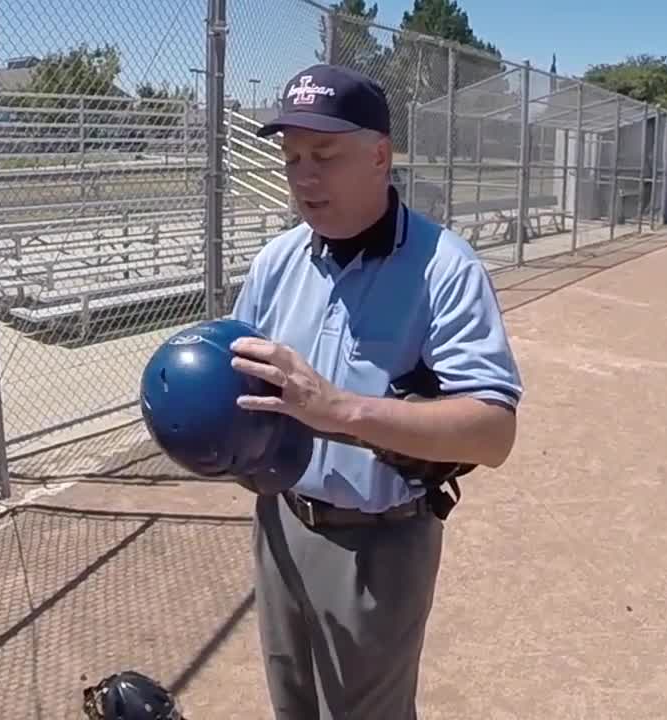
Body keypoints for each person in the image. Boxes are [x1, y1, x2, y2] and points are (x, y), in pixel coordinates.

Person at [226, 63, 523, 718]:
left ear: (379, 155)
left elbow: (493, 432)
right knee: (293, 704)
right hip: (279, 522)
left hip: (380, 542)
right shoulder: (276, 261)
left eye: (324, 155)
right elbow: (237, 376)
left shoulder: (444, 266)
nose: (304, 175)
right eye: (292, 156)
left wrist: (342, 410)